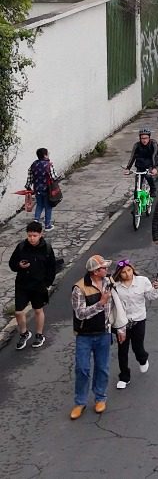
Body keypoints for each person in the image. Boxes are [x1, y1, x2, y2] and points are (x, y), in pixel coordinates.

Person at [71, 255, 126, 420]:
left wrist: (120, 328)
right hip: (84, 335)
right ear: (95, 272)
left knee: (102, 368)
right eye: (103, 268)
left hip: (104, 332)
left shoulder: (109, 282)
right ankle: (80, 402)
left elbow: (117, 306)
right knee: (82, 369)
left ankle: (100, 397)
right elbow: (80, 314)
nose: (107, 270)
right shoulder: (79, 288)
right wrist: (100, 304)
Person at [110, 260, 158, 390]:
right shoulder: (116, 287)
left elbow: (150, 296)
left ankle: (143, 359)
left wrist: (155, 288)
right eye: (124, 272)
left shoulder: (142, 281)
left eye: (129, 270)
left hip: (138, 320)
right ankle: (124, 377)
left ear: (133, 270)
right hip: (122, 323)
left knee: (138, 347)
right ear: (119, 274)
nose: (127, 274)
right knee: (123, 350)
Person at [9, 221, 57, 349]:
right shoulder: (21, 247)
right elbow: (12, 264)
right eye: (29, 235)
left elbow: (52, 267)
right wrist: (19, 265)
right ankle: (24, 333)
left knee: (38, 310)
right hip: (22, 284)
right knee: (18, 312)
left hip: (39, 285)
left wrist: (47, 283)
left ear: (40, 234)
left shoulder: (46, 248)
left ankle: (39, 334)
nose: (31, 238)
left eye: (34, 235)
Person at [25, 147, 59, 231]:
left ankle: (36, 221)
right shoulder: (49, 165)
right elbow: (54, 177)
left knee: (39, 205)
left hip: (37, 189)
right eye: (48, 153)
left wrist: (28, 186)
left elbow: (30, 177)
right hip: (47, 190)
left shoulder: (33, 164)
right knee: (48, 207)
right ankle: (47, 225)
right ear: (45, 155)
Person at [125, 129, 158, 197]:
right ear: (140, 138)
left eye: (146, 138)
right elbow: (132, 157)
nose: (144, 140)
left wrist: (154, 168)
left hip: (151, 162)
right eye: (142, 138)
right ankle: (136, 203)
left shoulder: (153, 144)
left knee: (148, 175)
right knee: (138, 183)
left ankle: (153, 189)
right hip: (140, 164)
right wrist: (128, 168)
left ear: (149, 138)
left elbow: (154, 155)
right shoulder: (137, 145)